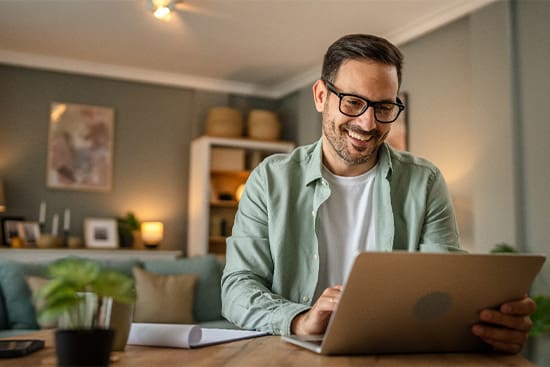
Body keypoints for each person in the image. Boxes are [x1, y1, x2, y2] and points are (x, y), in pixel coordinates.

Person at [221, 34, 535, 354]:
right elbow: (238, 287)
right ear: (320, 96)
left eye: (384, 107)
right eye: (353, 102)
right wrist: (301, 319)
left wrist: (490, 324)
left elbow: (442, 292)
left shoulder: (424, 182)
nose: (368, 123)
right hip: (291, 356)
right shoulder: (269, 179)